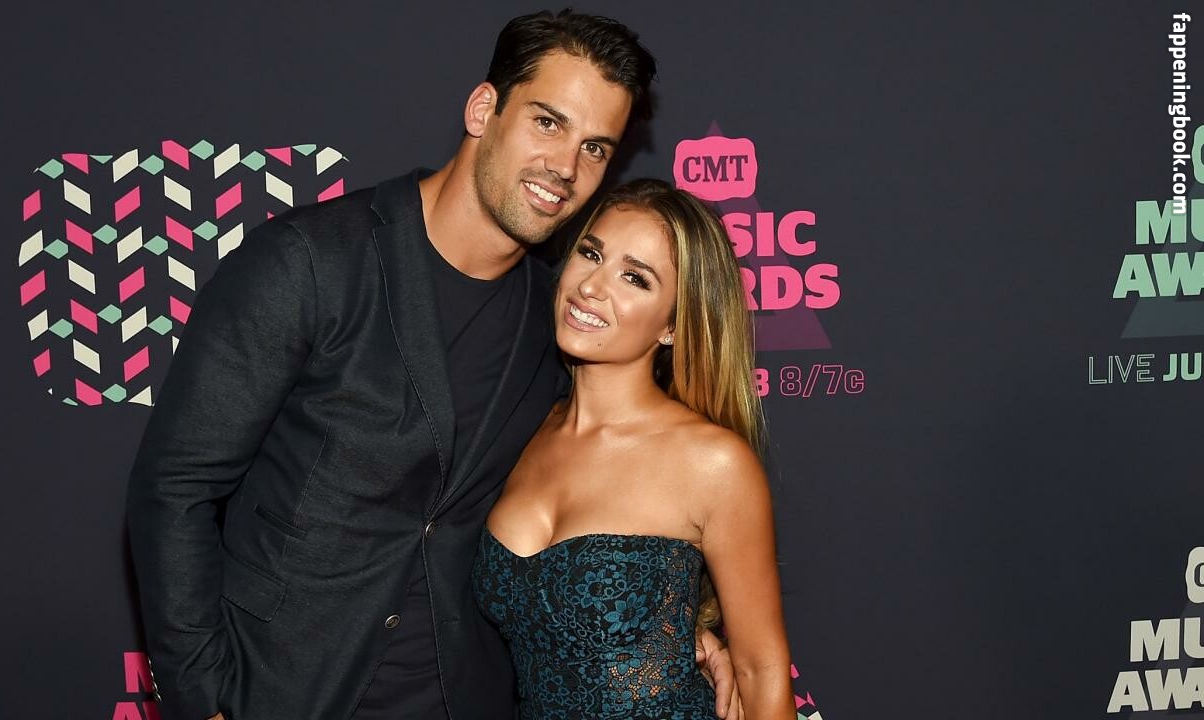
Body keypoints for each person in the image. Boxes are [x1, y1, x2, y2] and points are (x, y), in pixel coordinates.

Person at [125, 10, 741, 720]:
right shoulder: (312, 264)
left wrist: (669, 631)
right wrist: (200, 700)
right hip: (285, 690)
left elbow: (609, 487)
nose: (566, 167)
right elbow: (174, 489)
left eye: (596, 148)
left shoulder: (559, 321)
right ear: (483, 109)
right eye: (548, 122)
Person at [474, 178, 796, 719]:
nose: (591, 286)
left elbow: (761, 671)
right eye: (590, 253)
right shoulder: (518, 428)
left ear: (672, 325)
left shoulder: (713, 463)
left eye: (634, 278)